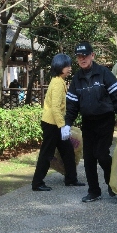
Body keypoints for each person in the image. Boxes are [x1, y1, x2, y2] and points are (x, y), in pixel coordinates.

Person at [63, 41, 117, 202]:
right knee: (89, 158)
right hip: (88, 122)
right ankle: (94, 191)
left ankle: (112, 183)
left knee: (102, 155)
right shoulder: (77, 79)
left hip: (105, 120)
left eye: (85, 56)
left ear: (92, 56)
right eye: (79, 57)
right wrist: (67, 123)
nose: (82, 59)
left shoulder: (103, 73)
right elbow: (72, 105)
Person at [31, 54, 85, 191]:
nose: (69, 68)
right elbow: (55, 107)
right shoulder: (57, 84)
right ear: (60, 67)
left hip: (55, 123)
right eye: (67, 66)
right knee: (47, 154)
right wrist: (62, 126)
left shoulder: (59, 81)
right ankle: (37, 183)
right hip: (52, 124)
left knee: (67, 151)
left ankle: (71, 179)